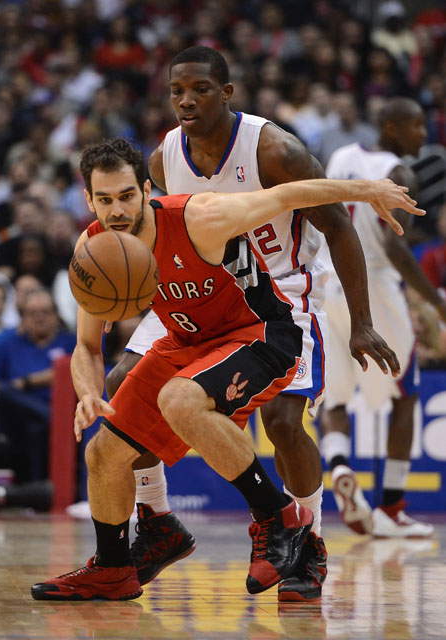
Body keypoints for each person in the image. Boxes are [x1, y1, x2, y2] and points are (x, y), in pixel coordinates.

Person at [30, 138, 421, 601]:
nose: (117, 210)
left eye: (127, 196)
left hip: (260, 332)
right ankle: (114, 568)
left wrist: (368, 189)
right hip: (187, 340)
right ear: (89, 200)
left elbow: (288, 196)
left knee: (181, 399)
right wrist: (87, 393)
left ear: (147, 189)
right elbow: (86, 347)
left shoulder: (200, 217)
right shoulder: (93, 247)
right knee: (103, 452)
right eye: (105, 199)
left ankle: (280, 519)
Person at [106, 46, 405, 603]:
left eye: (198, 88)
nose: (186, 100)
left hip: (280, 293)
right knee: (121, 383)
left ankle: (308, 539)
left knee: (283, 421)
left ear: (227, 93)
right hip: (199, 295)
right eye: (176, 91)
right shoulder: (162, 160)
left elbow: (339, 228)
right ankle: (158, 521)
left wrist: (360, 322)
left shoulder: (273, 149)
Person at [320, 97, 446, 537]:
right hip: (372, 286)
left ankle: (338, 468)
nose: (422, 134)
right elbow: (394, 246)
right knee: (406, 395)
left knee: (334, 398)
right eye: (415, 126)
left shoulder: (340, 157)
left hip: (331, 286)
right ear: (391, 127)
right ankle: (392, 509)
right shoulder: (401, 172)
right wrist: (436, 302)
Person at [0, 288, 76, 483]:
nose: (40, 318)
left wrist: (26, 382)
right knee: (6, 392)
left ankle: (37, 493)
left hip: (62, 411)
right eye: (33, 313)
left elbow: (73, 372)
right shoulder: (6, 342)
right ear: (22, 317)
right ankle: (48, 415)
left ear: (56, 316)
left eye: (46, 312)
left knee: (36, 427)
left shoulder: (70, 342)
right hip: (15, 415)